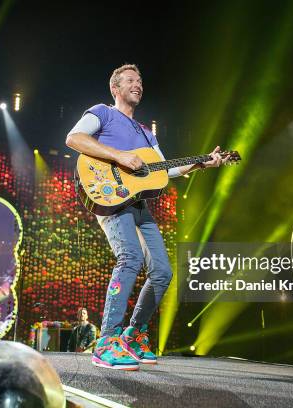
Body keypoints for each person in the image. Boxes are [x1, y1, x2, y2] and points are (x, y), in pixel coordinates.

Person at [66, 64, 226, 370]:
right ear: (115, 88)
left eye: (139, 80)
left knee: (163, 272)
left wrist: (203, 163)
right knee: (130, 257)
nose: (137, 84)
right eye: (130, 80)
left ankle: (134, 334)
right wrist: (120, 156)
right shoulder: (102, 112)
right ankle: (107, 342)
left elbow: (165, 170)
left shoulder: (145, 132)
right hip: (111, 197)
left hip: (139, 204)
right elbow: (74, 139)